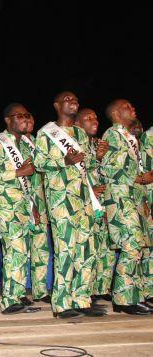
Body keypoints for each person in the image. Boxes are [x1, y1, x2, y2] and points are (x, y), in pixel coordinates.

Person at [34, 91, 103, 319]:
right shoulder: (46, 133)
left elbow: (88, 164)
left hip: (83, 199)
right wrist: (63, 161)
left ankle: (82, 299)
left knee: (86, 250)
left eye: (75, 99)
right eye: (67, 100)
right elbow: (39, 162)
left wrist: (97, 157)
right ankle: (62, 303)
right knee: (66, 250)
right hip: (61, 200)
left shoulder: (81, 134)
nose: (73, 102)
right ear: (56, 105)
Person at [0, 103, 42, 314]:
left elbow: (30, 177)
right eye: (20, 116)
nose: (26, 119)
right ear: (8, 120)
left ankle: (17, 294)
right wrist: (17, 173)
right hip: (7, 207)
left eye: (27, 115)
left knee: (22, 252)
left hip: (25, 206)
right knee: (14, 250)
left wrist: (33, 205)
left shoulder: (26, 144)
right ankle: (9, 300)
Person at [101, 99, 152, 315]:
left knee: (137, 247)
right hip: (120, 199)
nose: (133, 109)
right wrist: (140, 179)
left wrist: (142, 198)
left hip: (132, 199)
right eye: (128, 107)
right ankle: (122, 299)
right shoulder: (113, 135)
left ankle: (135, 295)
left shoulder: (129, 137)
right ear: (115, 113)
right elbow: (109, 169)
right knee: (131, 246)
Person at [75, 108, 114, 302]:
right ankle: (86, 290)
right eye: (88, 118)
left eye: (95, 117)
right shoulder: (75, 143)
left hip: (102, 203)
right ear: (77, 124)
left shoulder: (98, 144)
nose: (94, 120)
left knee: (104, 247)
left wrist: (100, 157)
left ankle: (101, 288)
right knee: (87, 248)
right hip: (85, 202)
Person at [23, 113, 52, 304]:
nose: (29, 122)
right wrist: (30, 204)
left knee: (41, 250)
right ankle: (17, 293)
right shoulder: (10, 143)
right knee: (20, 252)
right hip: (22, 203)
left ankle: (40, 291)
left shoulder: (38, 142)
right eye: (24, 118)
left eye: (32, 119)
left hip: (41, 203)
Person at [140, 124, 152, 304]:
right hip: (148, 199)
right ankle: (147, 291)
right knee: (147, 250)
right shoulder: (149, 137)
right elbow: (148, 174)